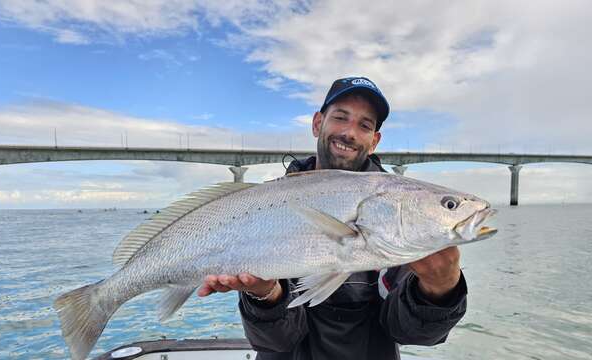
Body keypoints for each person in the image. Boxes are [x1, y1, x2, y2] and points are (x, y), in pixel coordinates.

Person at [197, 77, 467, 359]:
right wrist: (265, 295)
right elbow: (277, 342)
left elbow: (410, 334)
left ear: (374, 141)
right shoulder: (269, 204)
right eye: (340, 117)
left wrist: (440, 292)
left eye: (364, 125)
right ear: (317, 124)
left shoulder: (396, 210)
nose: (350, 132)